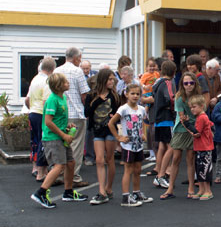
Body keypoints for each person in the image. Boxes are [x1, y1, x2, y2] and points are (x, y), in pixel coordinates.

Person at [30, 73, 88, 208]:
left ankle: (68, 192)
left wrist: (67, 126)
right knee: (59, 165)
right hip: (53, 138)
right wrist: (64, 135)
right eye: (66, 82)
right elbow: (48, 122)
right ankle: (41, 193)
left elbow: (57, 119)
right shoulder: (53, 100)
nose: (68, 83)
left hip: (61, 136)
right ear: (59, 85)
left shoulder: (62, 98)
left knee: (71, 162)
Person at [108, 83, 153, 207]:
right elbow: (111, 123)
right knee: (128, 169)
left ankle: (136, 192)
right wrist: (118, 137)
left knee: (138, 170)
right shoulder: (123, 109)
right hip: (128, 145)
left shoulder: (142, 109)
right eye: (132, 94)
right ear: (126, 94)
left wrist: (142, 134)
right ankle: (125, 196)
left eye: (137, 94)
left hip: (138, 144)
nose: (135, 96)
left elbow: (141, 123)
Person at [160, 72, 202, 199]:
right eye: (186, 83)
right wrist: (191, 129)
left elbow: (201, 113)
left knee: (190, 159)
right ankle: (170, 188)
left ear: (195, 84)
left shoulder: (198, 97)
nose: (189, 86)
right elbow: (183, 118)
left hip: (193, 129)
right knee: (176, 158)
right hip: (181, 129)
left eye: (191, 83)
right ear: (182, 85)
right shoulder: (179, 98)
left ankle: (190, 187)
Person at [53, 47, 90, 187]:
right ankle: (73, 177)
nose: (80, 61)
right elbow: (84, 94)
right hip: (75, 113)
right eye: (80, 58)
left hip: (60, 113)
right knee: (76, 146)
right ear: (75, 58)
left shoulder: (57, 71)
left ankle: (60, 173)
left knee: (62, 145)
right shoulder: (77, 71)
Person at [85, 68, 119, 205]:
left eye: (113, 79)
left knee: (109, 159)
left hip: (110, 130)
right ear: (103, 80)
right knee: (99, 159)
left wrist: (114, 117)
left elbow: (117, 112)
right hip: (97, 130)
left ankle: (109, 188)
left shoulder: (114, 96)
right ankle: (101, 191)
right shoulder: (91, 95)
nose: (112, 81)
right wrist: (98, 101)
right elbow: (87, 112)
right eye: (110, 79)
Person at [25, 57, 57, 182]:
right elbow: (46, 103)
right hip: (41, 115)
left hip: (32, 112)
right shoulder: (47, 81)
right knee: (43, 142)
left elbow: (27, 99)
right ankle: (41, 172)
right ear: (52, 69)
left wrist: (31, 108)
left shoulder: (35, 79)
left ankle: (35, 168)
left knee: (34, 141)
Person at [151, 61, 177, 191]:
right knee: (172, 146)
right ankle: (161, 175)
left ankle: (159, 172)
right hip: (167, 118)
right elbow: (171, 98)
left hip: (158, 118)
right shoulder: (168, 82)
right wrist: (175, 109)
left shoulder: (157, 83)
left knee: (162, 146)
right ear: (173, 72)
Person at [189, 95, 215, 200]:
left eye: (194, 106)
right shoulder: (202, 117)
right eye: (191, 107)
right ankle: (201, 189)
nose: (192, 109)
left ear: (201, 106)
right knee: (199, 169)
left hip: (205, 147)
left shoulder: (201, 118)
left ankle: (208, 191)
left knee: (205, 169)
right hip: (201, 147)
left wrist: (186, 125)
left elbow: (196, 133)